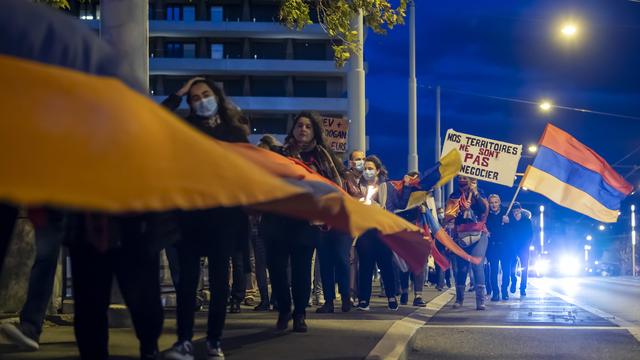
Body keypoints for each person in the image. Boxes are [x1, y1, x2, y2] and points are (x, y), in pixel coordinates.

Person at [163, 79, 250, 360]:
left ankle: (214, 340)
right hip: (189, 216)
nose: (201, 100)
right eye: (196, 97)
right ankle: (184, 340)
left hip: (224, 216)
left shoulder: (234, 130)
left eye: (206, 94)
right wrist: (178, 94)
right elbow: (157, 119)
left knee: (219, 282)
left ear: (217, 96)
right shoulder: (185, 128)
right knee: (187, 282)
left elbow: (246, 168)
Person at [261, 112, 344, 332]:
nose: (303, 129)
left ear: (314, 131)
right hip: (277, 221)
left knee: (301, 271)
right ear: (293, 129)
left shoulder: (322, 157)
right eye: (299, 125)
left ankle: (299, 314)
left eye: (308, 126)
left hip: (305, 224)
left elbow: (336, 187)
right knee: (276, 269)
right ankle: (284, 309)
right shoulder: (279, 154)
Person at [0, 209, 66, 351]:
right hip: (52, 204)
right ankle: (30, 329)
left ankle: (92, 329)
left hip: (81, 202)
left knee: (88, 265)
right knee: (45, 258)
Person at [355, 156, 404, 312]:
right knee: (365, 266)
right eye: (365, 168)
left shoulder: (387, 187)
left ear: (377, 170)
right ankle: (364, 300)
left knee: (386, 265)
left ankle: (391, 296)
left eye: (370, 168)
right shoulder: (358, 186)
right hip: (365, 230)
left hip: (383, 230)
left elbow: (397, 205)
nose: (367, 171)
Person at [445, 176, 489, 311]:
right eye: (460, 176)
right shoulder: (455, 195)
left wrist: (475, 193)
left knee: (477, 265)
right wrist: (460, 208)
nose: (462, 179)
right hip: (461, 236)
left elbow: (483, 209)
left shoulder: (479, 192)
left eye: (465, 177)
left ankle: (480, 301)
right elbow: (449, 215)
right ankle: (459, 299)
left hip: (478, 234)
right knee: (461, 268)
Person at [342, 150, 366, 305]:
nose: (362, 162)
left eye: (363, 159)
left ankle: (360, 294)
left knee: (362, 259)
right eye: (358, 159)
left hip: (365, 224)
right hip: (350, 224)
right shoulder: (346, 178)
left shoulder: (366, 179)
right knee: (351, 259)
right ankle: (349, 293)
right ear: (351, 162)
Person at [485, 194, 512, 301]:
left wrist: (508, 222)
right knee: (493, 270)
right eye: (491, 203)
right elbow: (482, 224)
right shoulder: (486, 214)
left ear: (499, 202)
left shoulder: (507, 212)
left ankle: (504, 291)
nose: (494, 205)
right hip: (493, 246)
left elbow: (515, 227)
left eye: (496, 202)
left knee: (506, 270)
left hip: (505, 247)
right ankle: (495, 293)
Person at [508, 202, 533, 297]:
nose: (516, 212)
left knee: (524, 268)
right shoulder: (510, 220)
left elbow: (530, 234)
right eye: (514, 211)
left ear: (520, 210)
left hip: (524, 248)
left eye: (517, 210)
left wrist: (527, 246)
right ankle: (513, 282)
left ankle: (523, 288)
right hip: (512, 247)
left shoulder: (526, 220)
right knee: (512, 268)